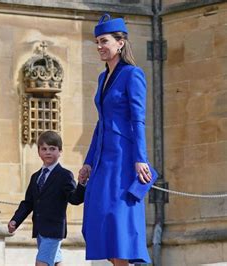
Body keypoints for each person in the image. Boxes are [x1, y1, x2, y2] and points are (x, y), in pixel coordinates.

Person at [78, 14, 158, 266]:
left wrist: (140, 159)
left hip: (124, 160)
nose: (100, 46)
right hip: (103, 161)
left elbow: (138, 120)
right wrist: (89, 162)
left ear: (120, 43)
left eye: (104, 41)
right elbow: (101, 122)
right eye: (97, 42)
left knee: (119, 224)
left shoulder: (132, 74)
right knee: (100, 222)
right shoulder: (102, 79)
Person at [8, 131, 87, 266]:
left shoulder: (64, 175)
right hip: (40, 229)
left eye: (52, 149)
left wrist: (82, 184)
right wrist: (16, 220)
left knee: (41, 263)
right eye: (44, 149)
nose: (48, 152)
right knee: (56, 261)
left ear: (60, 151)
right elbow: (28, 203)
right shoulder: (35, 176)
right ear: (38, 151)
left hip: (53, 230)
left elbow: (75, 199)